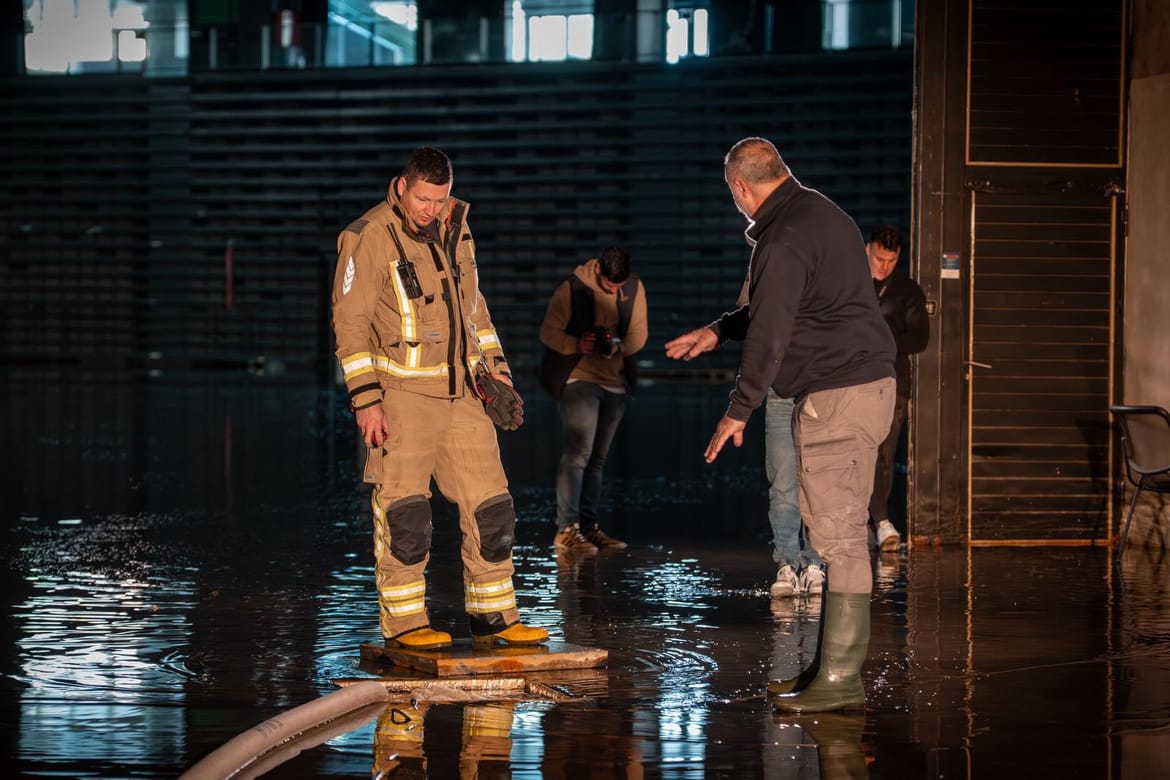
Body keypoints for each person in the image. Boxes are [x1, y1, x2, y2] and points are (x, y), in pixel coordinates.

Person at [664, 137, 895, 713]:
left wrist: (738, 410)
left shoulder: (784, 236)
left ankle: (840, 680)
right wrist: (719, 329)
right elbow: (779, 307)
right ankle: (825, 669)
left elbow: (771, 333)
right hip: (853, 388)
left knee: (841, 539)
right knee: (834, 532)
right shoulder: (819, 214)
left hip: (840, 395)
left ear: (740, 187)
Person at [331, 146, 548, 651]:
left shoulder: (456, 227)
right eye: (423, 199)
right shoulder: (368, 236)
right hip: (402, 395)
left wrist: (498, 373)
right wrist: (366, 400)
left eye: (440, 198)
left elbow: (475, 310)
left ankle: (495, 615)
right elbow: (350, 324)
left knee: (492, 506)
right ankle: (406, 623)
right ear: (402, 186)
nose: (431, 209)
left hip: (465, 393)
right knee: (405, 513)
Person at [539, 247, 648, 556]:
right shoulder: (572, 288)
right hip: (579, 378)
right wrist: (578, 344)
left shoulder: (634, 288)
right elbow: (548, 332)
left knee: (597, 459)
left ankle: (588, 527)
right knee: (578, 453)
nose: (614, 291)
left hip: (615, 382)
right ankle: (566, 529)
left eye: (618, 286)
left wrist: (618, 346)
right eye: (609, 285)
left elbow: (639, 334)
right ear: (598, 269)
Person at [866, 225, 929, 553]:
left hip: (893, 382)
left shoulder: (907, 290)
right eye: (879, 258)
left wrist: (884, 344)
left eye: (891, 261)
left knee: (884, 455)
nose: (884, 266)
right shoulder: (850, 282)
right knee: (862, 452)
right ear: (868, 249)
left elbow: (920, 337)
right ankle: (876, 521)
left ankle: (876, 522)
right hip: (855, 381)